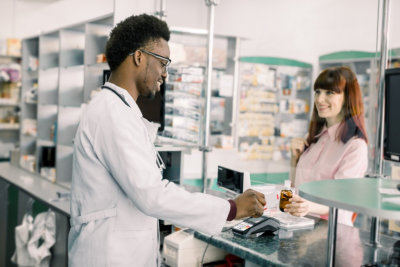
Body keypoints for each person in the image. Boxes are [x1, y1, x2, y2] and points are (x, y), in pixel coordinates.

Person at [68, 14, 266, 266]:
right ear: (139, 57)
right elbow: (152, 196)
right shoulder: (112, 114)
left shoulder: (118, 109)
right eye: (163, 63)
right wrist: (231, 208)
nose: (165, 73)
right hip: (109, 255)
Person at [284, 66, 368, 226]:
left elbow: (342, 201)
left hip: (331, 232)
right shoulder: (314, 138)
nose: (320, 99)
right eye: (318, 92)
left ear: (347, 98)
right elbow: (296, 187)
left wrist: (308, 207)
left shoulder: (355, 146)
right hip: (301, 225)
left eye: (329, 92)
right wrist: (295, 160)